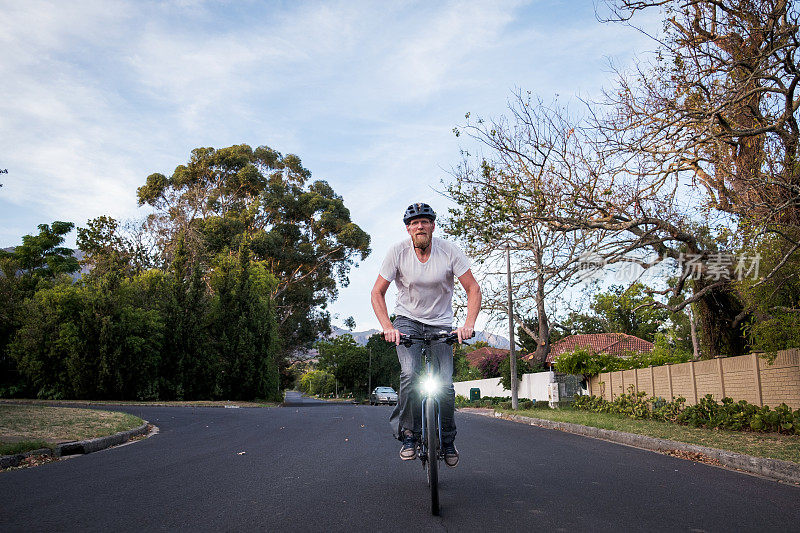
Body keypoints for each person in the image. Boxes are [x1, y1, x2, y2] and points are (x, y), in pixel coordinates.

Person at [370, 202, 482, 467]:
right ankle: (410, 434)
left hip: (442, 323)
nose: (420, 226)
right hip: (407, 321)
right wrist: (388, 327)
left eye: (425, 221)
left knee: (444, 383)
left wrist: (467, 325)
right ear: (408, 229)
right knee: (410, 373)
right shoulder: (397, 252)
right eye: (414, 223)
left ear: (432, 226)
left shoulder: (449, 251)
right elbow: (377, 292)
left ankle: (447, 440)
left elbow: (473, 289)